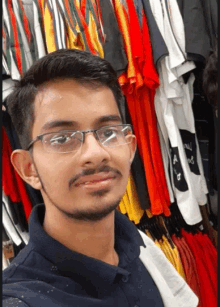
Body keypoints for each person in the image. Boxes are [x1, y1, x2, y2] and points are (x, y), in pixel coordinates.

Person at [3, 49, 198, 307]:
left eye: (108, 131)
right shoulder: (21, 299)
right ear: (29, 169)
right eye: (62, 138)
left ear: (130, 148)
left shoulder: (143, 249)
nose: (95, 153)